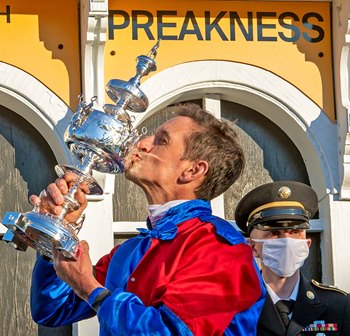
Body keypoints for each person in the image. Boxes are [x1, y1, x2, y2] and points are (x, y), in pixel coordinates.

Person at [29, 104, 265, 335]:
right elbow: (54, 309)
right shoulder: (131, 250)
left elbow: (172, 331)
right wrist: (59, 229)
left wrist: (91, 290)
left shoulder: (220, 249)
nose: (141, 144)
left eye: (161, 141)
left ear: (193, 171)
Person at [235, 181, 350, 335]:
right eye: (274, 233)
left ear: (307, 244)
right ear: (252, 247)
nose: (287, 241)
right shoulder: (233, 309)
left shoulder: (339, 305)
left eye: (295, 232)